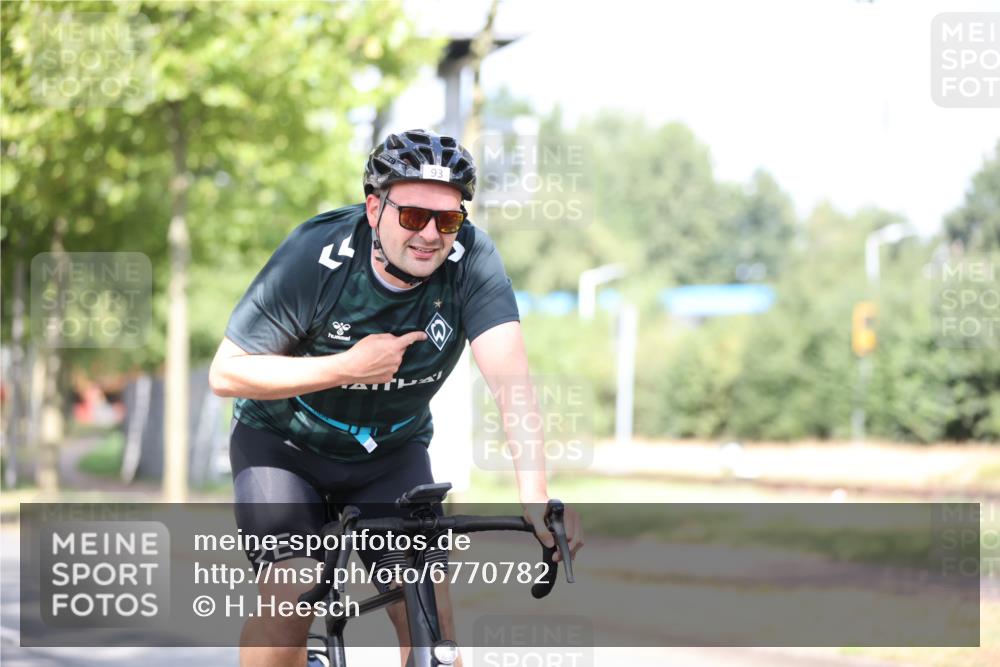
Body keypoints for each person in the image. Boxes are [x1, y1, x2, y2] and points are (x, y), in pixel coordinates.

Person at [209, 128, 583, 667]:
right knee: (292, 592)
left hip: (389, 452)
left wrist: (536, 496)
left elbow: (512, 385)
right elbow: (227, 373)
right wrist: (347, 367)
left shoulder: (472, 262)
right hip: (283, 446)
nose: (431, 234)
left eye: (448, 219)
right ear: (373, 208)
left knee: (431, 615)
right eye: (412, 216)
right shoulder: (315, 255)